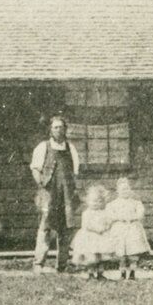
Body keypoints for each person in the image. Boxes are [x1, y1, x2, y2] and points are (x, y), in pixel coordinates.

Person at [30, 116, 80, 274]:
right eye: (56, 127)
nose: (59, 130)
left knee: (65, 229)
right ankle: (39, 263)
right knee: (45, 228)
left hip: (65, 193)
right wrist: (42, 184)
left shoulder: (70, 148)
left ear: (66, 129)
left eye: (61, 127)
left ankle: (62, 264)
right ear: (50, 130)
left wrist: (71, 190)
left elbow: (75, 172)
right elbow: (35, 169)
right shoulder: (43, 147)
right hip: (49, 193)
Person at [107, 177, 151, 280]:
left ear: (130, 190)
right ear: (117, 191)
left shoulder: (136, 203)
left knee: (133, 252)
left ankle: (132, 273)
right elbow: (110, 215)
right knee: (121, 253)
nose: (125, 191)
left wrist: (133, 217)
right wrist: (120, 218)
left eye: (127, 189)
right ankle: (122, 273)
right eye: (122, 189)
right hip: (119, 229)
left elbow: (140, 214)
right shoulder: (113, 204)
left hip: (133, 228)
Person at [71, 185, 115, 280]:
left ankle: (100, 273)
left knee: (101, 256)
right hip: (90, 237)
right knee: (91, 257)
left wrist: (106, 227)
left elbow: (109, 222)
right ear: (88, 201)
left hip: (102, 236)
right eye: (93, 201)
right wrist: (96, 229)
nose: (96, 203)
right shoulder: (86, 213)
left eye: (99, 201)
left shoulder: (104, 212)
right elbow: (86, 226)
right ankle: (90, 273)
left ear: (103, 202)